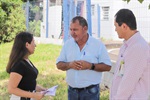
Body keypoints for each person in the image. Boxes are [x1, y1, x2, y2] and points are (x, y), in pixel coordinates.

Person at [56, 16, 111, 100]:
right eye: (71, 29)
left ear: (85, 29)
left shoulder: (98, 45)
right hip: (72, 92)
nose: (72, 33)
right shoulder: (67, 44)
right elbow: (59, 64)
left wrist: (90, 66)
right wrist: (70, 65)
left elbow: (107, 66)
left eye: (75, 30)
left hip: (91, 93)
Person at [110, 9, 150, 99]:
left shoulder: (139, 47)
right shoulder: (126, 45)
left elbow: (128, 83)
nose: (115, 29)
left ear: (124, 26)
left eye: (116, 26)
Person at [6, 32, 46, 100]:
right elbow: (11, 89)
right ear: (27, 44)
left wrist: (42, 89)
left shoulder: (26, 61)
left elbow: (27, 83)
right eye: (33, 42)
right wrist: (33, 95)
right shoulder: (19, 65)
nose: (35, 45)